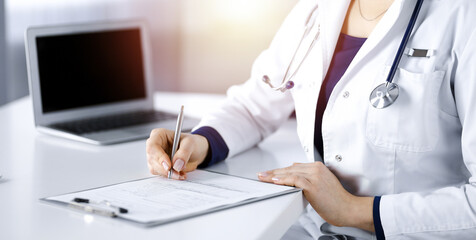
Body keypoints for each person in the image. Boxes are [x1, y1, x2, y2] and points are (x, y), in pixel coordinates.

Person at [146, 0, 476, 239]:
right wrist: (200, 142)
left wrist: (354, 211)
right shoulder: (316, 9)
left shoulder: (463, 17)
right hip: (310, 228)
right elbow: (255, 103)